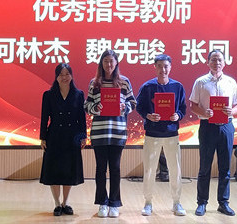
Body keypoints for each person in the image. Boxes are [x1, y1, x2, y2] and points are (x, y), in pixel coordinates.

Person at [188, 50, 237, 217]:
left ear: (224, 63)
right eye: (213, 60)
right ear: (208, 62)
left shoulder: (231, 82)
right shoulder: (200, 82)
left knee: (225, 167)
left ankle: (223, 203)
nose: (216, 63)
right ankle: (201, 202)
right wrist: (204, 112)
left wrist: (231, 111)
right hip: (207, 127)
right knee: (205, 166)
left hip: (226, 127)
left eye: (219, 60)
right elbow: (193, 105)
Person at [84, 49, 136, 218]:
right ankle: (102, 202)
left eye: (111, 61)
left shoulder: (124, 82)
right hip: (99, 133)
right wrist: (95, 108)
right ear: (101, 63)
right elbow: (87, 105)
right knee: (100, 169)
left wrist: (124, 107)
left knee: (115, 168)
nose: (109, 64)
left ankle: (114, 203)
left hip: (117, 132)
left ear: (116, 63)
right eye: (105, 61)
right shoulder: (95, 83)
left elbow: (133, 103)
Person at [136, 54, 187, 217]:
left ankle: (176, 202)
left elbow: (183, 108)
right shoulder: (147, 87)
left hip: (172, 134)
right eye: (159, 66)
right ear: (155, 67)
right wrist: (148, 116)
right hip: (152, 134)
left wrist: (178, 115)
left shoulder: (178, 86)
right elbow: (139, 107)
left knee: (175, 169)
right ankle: (148, 203)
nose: (163, 69)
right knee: (149, 169)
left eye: (166, 66)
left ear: (170, 67)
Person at [39, 63, 86, 216]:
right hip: (54, 136)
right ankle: (57, 204)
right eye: (61, 74)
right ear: (56, 77)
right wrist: (43, 138)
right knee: (54, 171)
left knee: (68, 171)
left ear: (71, 76)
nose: (64, 77)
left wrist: (83, 136)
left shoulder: (78, 94)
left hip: (72, 137)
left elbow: (81, 118)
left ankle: (66, 203)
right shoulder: (48, 95)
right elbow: (44, 118)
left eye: (67, 74)